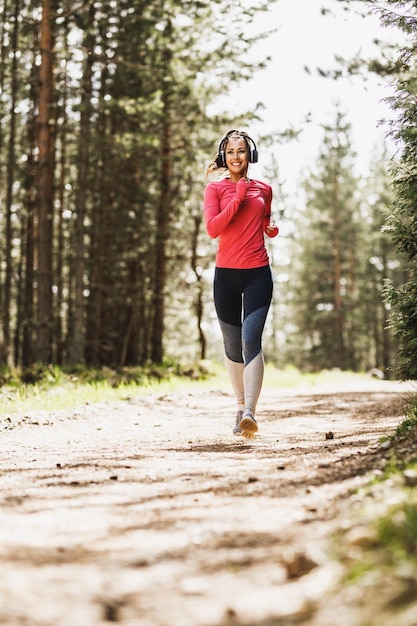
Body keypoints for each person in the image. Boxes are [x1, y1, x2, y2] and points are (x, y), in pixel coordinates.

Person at [204, 129, 279, 438]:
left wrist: (270, 228)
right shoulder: (215, 190)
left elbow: (263, 221)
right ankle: (238, 407)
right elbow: (213, 228)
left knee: (251, 340)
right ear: (224, 156)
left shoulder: (265, 188)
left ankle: (250, 411)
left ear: (250, 155)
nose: (236, 157)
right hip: (226, 277)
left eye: (241, 151)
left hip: (258, 273)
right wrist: (236, 196)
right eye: (231, 152)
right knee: (232, 345)